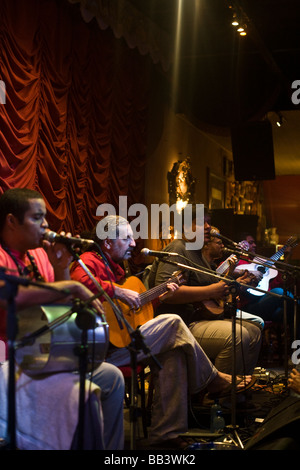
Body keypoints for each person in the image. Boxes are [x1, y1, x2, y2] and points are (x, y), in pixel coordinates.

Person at [70, 214, 253, 449]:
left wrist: (158, 298)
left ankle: (165, 434)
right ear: (107, 242)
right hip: (102, 352)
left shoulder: (115, 267)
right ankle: (213, 380)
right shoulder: (89, 260)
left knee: (173, 351)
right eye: (127, 238)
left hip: (123, 342)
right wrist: (117, 291)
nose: (134, 243)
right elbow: (79, 282)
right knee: (173, 321)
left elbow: (132, 313)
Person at [0, 188, 124, 450]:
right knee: (82, 394)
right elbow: (12, 299)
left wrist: (61, 268)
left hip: (43, 354)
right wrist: (72, 287)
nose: (46, 225)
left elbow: (59, 314)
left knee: (111, 377)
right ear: (11, 221)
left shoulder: (38, 255)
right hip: (9, 359)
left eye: (45, 217)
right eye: (37, 217)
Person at [148, 214, 262, 377]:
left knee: (254, 331)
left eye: (209, 222)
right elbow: (165, 291)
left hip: (202, 318)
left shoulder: (198, 254)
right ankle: (217, 395)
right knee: (237, 335)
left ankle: (240, 389)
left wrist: (236, 285)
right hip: (182, 323)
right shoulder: (178, 248)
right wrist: (210, 291)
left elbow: (215, 289)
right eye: (202, 222)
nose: (208, 226)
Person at [233, 232, 299, 341]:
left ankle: (295, 350)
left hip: (266, 304)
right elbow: (225, 271)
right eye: (250, 242)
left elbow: (282, 282)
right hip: (247, 307)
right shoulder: (238, 262)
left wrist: (287, 258)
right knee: (279, 292)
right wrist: (249, 272)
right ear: (242, 244)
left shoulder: (261, 262)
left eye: (254, 243)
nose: (254, 245)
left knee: (294, 312)